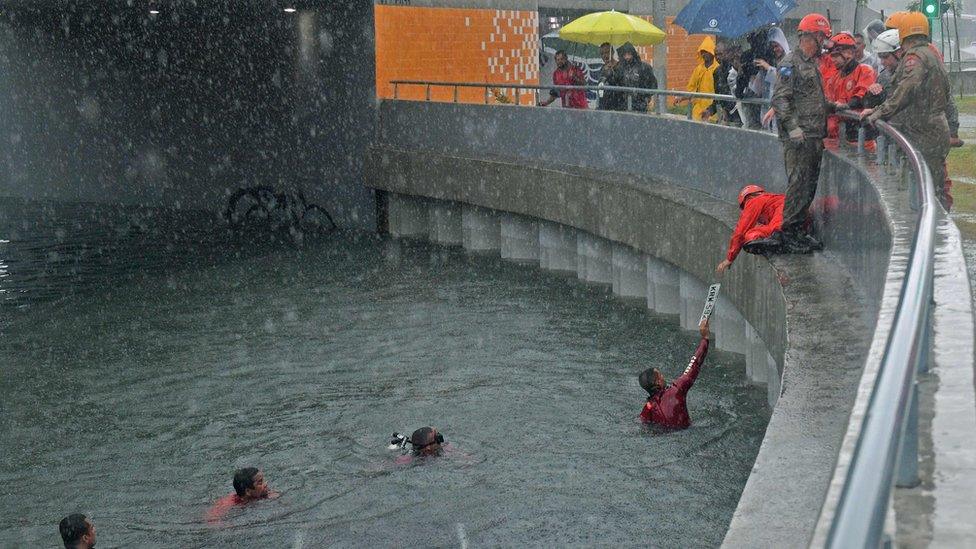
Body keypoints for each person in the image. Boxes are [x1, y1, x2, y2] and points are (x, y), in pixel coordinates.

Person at [861, 13, 952, 209]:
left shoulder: (915, 57)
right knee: (930, 186)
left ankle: (933, 230)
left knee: (927, 191)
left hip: (925, 132)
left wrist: (879, 112)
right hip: (931, 130)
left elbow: (905, 90)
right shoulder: (929, 54)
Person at [769, 13, 831, 254]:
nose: (823, 43)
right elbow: (780, 98)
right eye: (821, 37)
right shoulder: (790, 63)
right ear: (811, 37)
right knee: (798, 184)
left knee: (808, 186)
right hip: (799, 138)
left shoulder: (809, 64)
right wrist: (793, 127)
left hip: (813, 136)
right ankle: (789, 232)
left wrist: (834, 107)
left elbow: (812, 100)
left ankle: (798, 231)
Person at [638, 319, 711, 429]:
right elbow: (694, 364)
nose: (662, 376)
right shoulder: (676, 390)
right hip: (687, 433)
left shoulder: (648, 408)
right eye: (660, 374)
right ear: (657, 381)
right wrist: (705, 338)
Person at [715, 185, 784, 275]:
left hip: (781, 228)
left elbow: (740, 232)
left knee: (751, 235)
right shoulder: (773, 199)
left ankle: (779, 244)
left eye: (744, 206)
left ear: (747, 197)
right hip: (797, 221)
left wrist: (730, 258)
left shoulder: (753, 201)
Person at [824, 32, 876, 148]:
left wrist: (845, 106)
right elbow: (828, 101)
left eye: (835, 55)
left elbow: (860, 97)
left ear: (848, 53)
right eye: (831, 56)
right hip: (842, 138)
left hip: (863, 137)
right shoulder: (834, 79)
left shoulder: (865, 71)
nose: (832, 60)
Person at [206, 467, 279, 523]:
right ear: (248, 491)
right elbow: (211, 520)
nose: (266, 483)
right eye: (260, 482)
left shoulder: (266, 493)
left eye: (263, 480)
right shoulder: (229, 503)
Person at [755, 28, 791, 130]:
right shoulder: (775, 60)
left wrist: (768, 68)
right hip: (771, 109)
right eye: (772, 47)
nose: (775, 49)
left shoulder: (789, 59)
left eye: (776, 46)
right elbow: (758, 89)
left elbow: (785, 79)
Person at [609, 42, 657, 112]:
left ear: (634, 54)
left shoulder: (644, 67)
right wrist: (611, 73)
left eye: (629, 54)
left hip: (640, 105)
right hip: (623, 106)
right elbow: (615, 84)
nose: (627, 57)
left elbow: (653, 84)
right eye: (624, 54)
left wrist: (646, 97)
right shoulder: (620, 68)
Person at [679, 36, 718, 120]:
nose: (703, 54)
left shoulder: (718, 69)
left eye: (706, 51)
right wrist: (682, 98)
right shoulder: (698, 69)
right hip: (698, 110)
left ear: (712, 52)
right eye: (702, 52)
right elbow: (691, 88)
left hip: (713, 111)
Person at [712, 40, 739, 124]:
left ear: (728, 53)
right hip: (725, 115)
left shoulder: (735, 69)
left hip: (738, 113)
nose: (718, 57)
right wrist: (710, 111)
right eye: (716, 54)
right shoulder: (716, 72)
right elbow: (717, 97)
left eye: (720, 54)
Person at [596, 42, 623, 111]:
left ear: (613, 52)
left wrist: (613, 72)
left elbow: (621, 84)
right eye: (602, 54)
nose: (605, 56)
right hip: (603, 105)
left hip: (617, 106)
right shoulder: (602, 68)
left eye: (607, 52)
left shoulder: (620, 66)